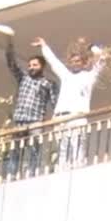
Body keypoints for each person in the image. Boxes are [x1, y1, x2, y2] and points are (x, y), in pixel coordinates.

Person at [32, 37, 105, 171]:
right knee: (62, 151)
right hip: (61, 118)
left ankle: (78, 171)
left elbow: (101, 61)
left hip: (77, 117)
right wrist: (44, 46)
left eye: (78, 61)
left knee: (77, 149)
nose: (75, 64)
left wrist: (92, 47)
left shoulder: (88, 77)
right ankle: (61, 172)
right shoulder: (66, 76)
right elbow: (54, 62)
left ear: (83, 63)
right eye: (72, 62)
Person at [4, 38, 57, 177]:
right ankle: (12, 175)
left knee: (34, 150)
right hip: (20, 120)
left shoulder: (48, 83)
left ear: (42, 66)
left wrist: (56, 119)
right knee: (15, 149)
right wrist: (9, 46)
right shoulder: (23, 78)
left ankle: (33, 174)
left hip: (35, 121)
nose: (31, 67)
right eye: (30, 65)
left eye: (35, 65)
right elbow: (12, 65)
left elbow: (54, 102)